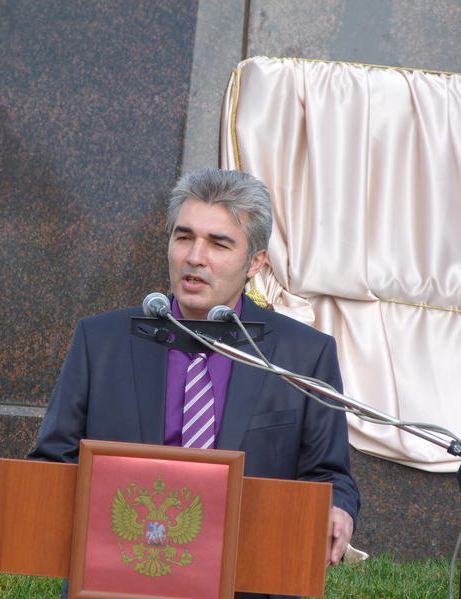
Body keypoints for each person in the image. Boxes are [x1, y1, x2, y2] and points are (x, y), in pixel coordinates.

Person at [29, 168, 360, 599]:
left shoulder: (302, 354)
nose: (195, 257)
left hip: (249, 579)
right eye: (184, 237)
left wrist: (338, 507)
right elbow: (54, 458)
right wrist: (27, 494)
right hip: (119, 576)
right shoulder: (101, 340)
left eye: (219, 244)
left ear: (255, 262)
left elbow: (328, 473)